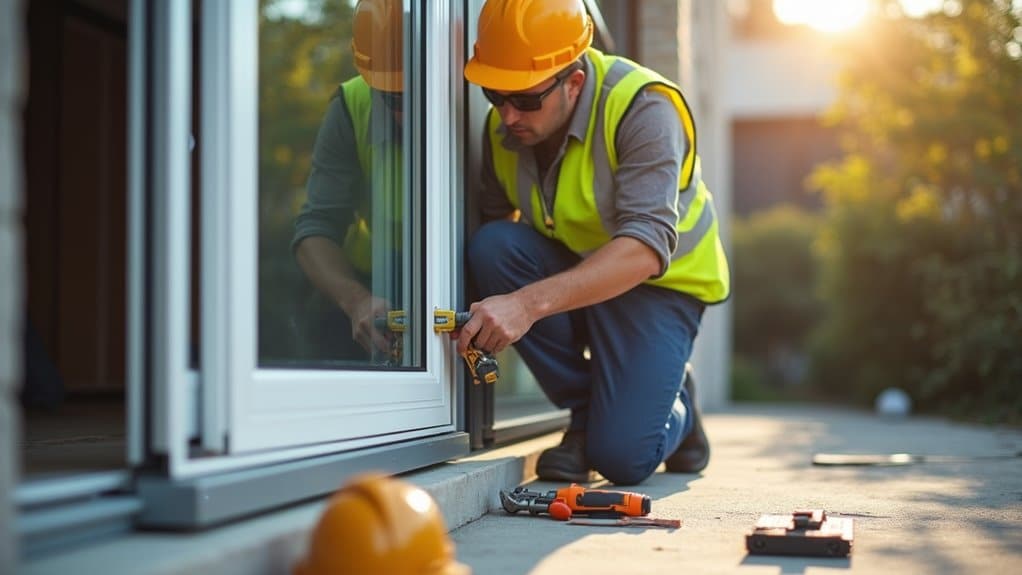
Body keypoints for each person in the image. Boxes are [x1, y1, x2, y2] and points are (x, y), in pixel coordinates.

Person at [457, 0, 730, 486]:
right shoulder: (506, 129)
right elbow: (497, 232)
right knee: (492, 247)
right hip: (581, 269)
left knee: (623, 459)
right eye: (493, 95)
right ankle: (587, 414)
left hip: (661, 285)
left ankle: (677, 400)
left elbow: (646, 248)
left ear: (574, 82)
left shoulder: (644, 107)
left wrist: (526, 305)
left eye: (525, 99)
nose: (507, 114)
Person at [291, 0, 405, 362]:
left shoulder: (495, 101)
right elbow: (316, 227)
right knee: (321, 315)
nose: (406, 112)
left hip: (465, 273)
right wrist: (355, 300)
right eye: (392, 98)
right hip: (376, 275)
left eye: (421, 95)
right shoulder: (352, 103)